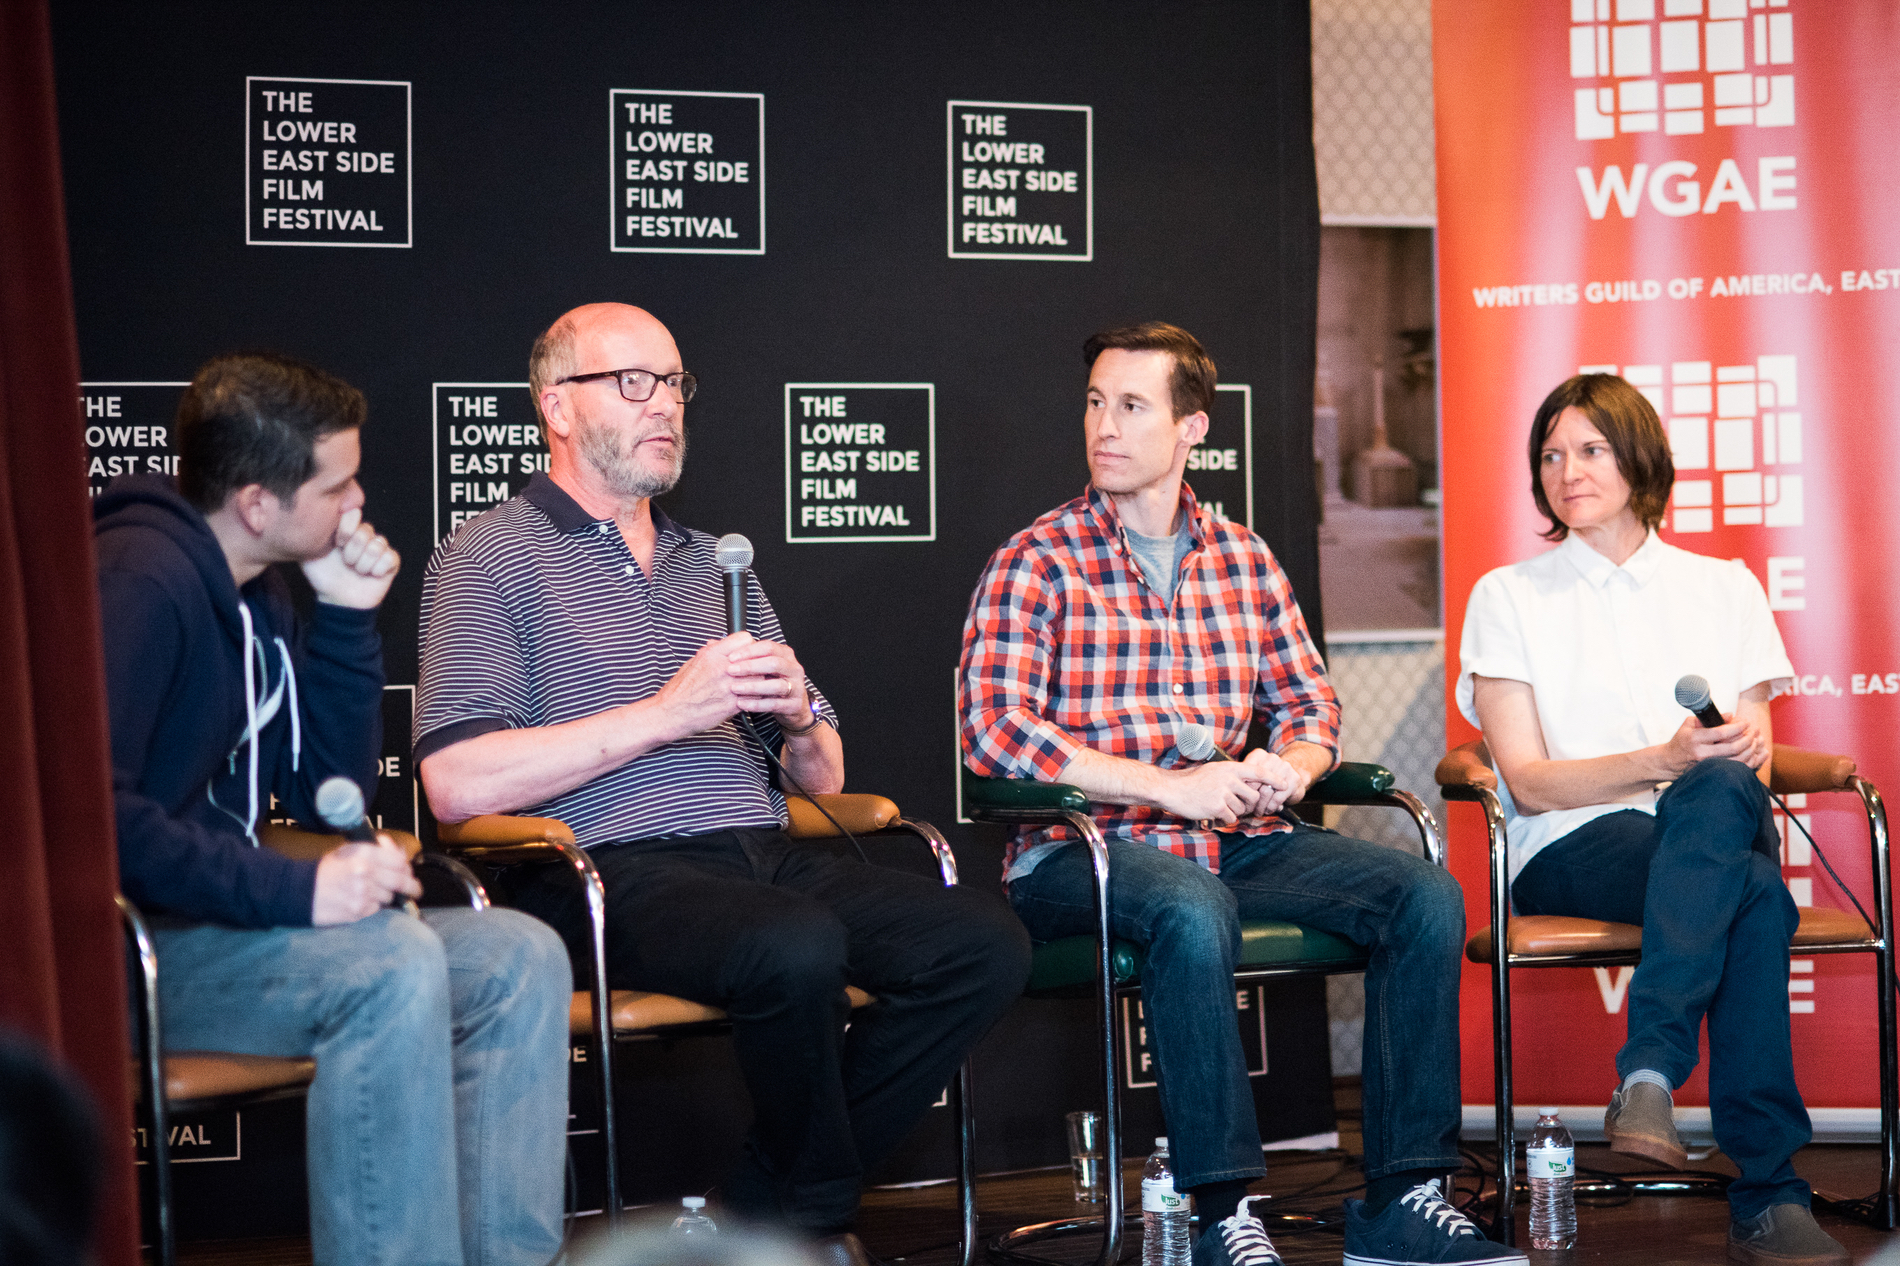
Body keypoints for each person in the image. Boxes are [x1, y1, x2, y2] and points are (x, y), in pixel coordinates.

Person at [414, 302, 1030, 1256]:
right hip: (604, 869)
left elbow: (823, 775)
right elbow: (455, 784)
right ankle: (816, 1223)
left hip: (761, 853)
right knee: (792, 945)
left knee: (982, 940)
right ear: (557, 408)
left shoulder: (718, 563)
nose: (664, 406)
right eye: (633, 383)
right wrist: (667, 712)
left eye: (674, 383)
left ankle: (758, 1212)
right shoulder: (491, 554)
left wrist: (798, 713)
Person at [958, 322, 1520, 1266]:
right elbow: (997, 736)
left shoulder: (1245, 559)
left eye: (1132, 405)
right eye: (1096, 401)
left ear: (1191, 430)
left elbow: (1309, 705)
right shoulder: (1036, 560)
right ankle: (1220, 1210)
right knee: (1188, 901)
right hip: (1076, 853)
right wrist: (1169, 789)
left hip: (1239, 836)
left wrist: (1290, 767)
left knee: (1423, 893)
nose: (1104, 425)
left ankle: (1401, 1198)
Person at [96, 353, 571, 1265]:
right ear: (257, 504)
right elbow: (97, 826)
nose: (356, 504)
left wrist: (348, 619)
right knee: (386, 968)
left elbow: (329, 795)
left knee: (518, 955)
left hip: (222, 926)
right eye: (337, 484)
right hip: (131, 952)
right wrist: (294, 894)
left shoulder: (264, 585)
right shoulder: (141, 583)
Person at [1459, 373, 1848, 1266]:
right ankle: (1769, 1192)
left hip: (1708, 822)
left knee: (1715, 796)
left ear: (1641, 459)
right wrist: (1658, 762)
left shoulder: (1725, 586)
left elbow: (1751, 748)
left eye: (1590, 450)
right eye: (1551, 455)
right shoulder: (1509, 594)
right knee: (1753, 895)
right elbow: (1526, 784)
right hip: (1575, 840)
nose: (1568, 471)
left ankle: (1648, 1078)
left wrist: (1709, 758)